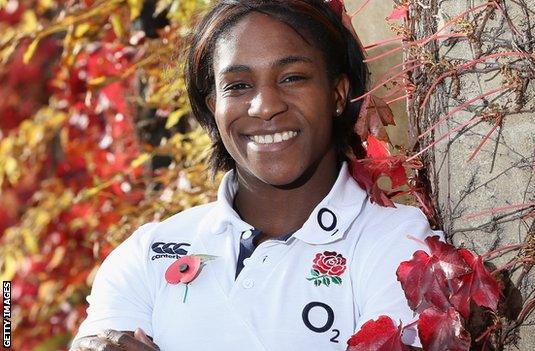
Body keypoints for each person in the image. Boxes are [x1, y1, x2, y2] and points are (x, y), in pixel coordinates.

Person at [71, 0, 436, 350]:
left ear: (337, 94)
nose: (265, 107)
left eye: (292, 77)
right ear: (214, 107)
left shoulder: (399, 244)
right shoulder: (146, 254)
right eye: (239, 86)